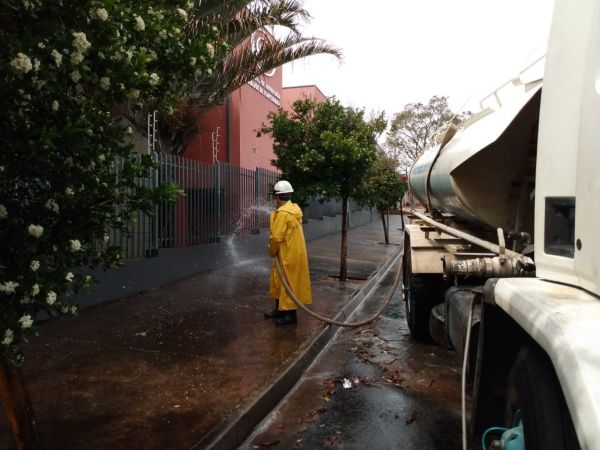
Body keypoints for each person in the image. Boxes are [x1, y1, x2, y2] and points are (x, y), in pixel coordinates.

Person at [264, 180, 312, 325]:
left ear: (278, 197)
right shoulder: (293, 209)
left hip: (287, 254)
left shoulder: (284, 214)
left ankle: (290, 316)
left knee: (287, 283)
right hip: (292, 252)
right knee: (280, 280)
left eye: (275, 197)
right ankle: (280, 310)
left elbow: (276, 237)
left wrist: (271, 250)